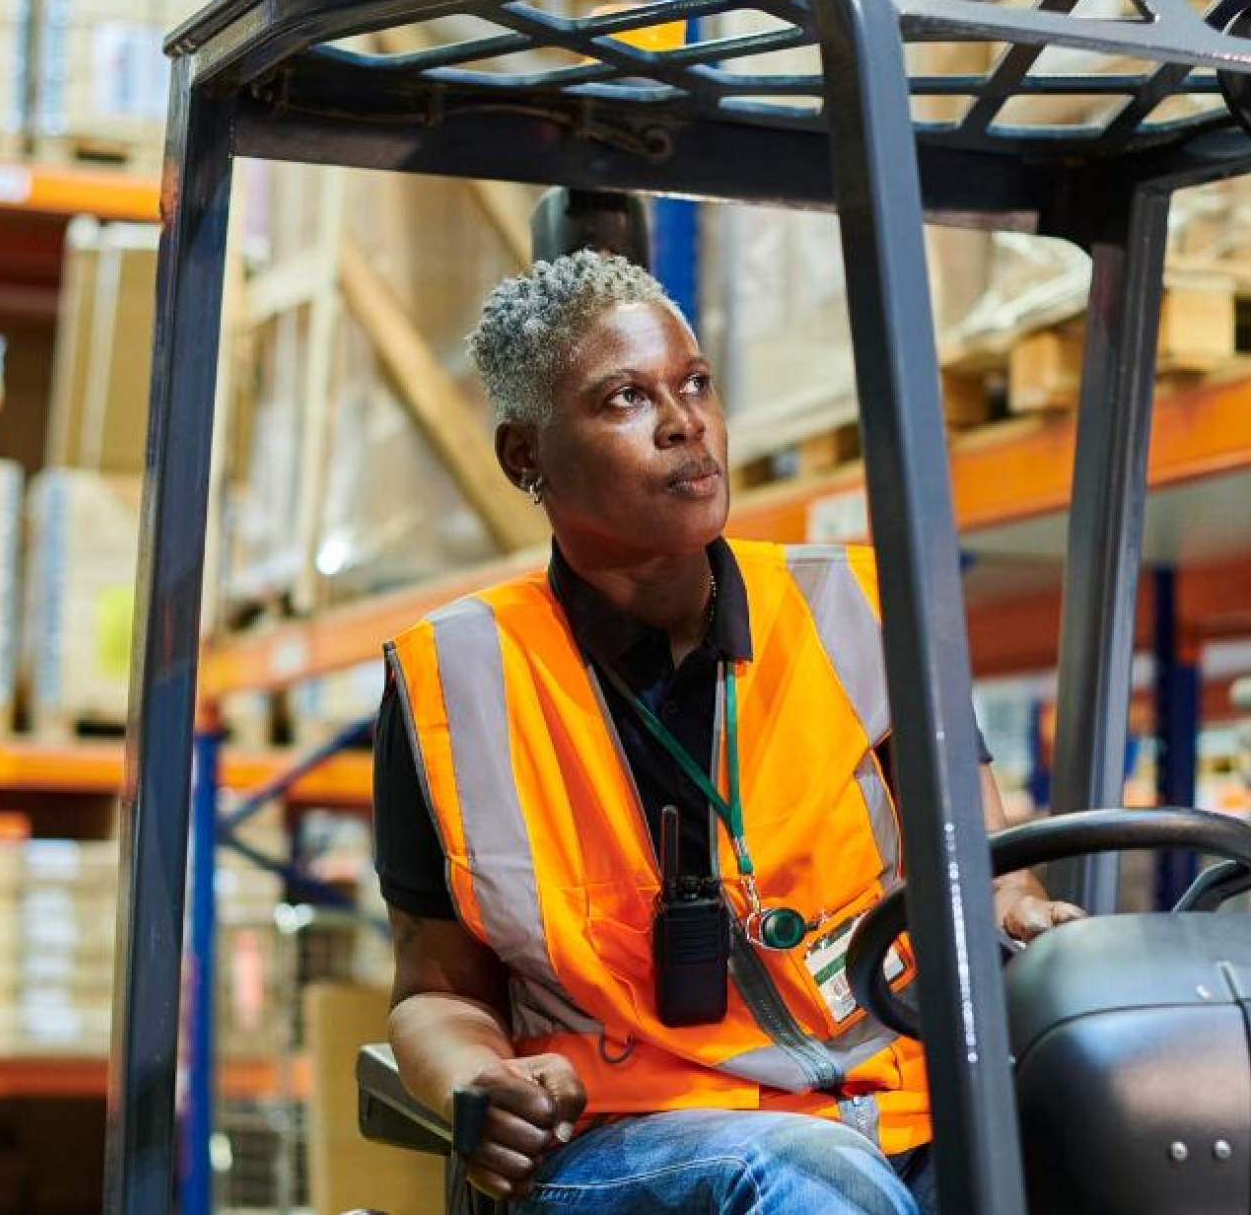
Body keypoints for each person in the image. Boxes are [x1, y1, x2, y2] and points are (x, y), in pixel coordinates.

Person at [372, 249, 1082, 1213]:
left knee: (1131, 1115)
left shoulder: (858, 608)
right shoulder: (454, 677)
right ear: (524, 456)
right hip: (626, 1145)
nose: (684, 424)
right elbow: (435, 985)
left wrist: (1029, 919)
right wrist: (474, 1078)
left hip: (897, 1116)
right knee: (803, 1180)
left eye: (695, 383)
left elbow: (988, 873)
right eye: (626, 398)